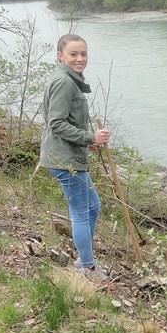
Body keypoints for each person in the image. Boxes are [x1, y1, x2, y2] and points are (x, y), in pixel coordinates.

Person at [39, 33, 111, 281]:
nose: (80, 59)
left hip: (69, 155)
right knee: (81, 211)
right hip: (64, 160)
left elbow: (62, 122)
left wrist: (84, 141)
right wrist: (90, 138)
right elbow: (56, 123)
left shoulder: (70, 80)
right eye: (73, 54)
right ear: (60, 56)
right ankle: (87, 268)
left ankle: (84, 259)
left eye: (83, 54)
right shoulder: (64, 82)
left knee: (94, 206)